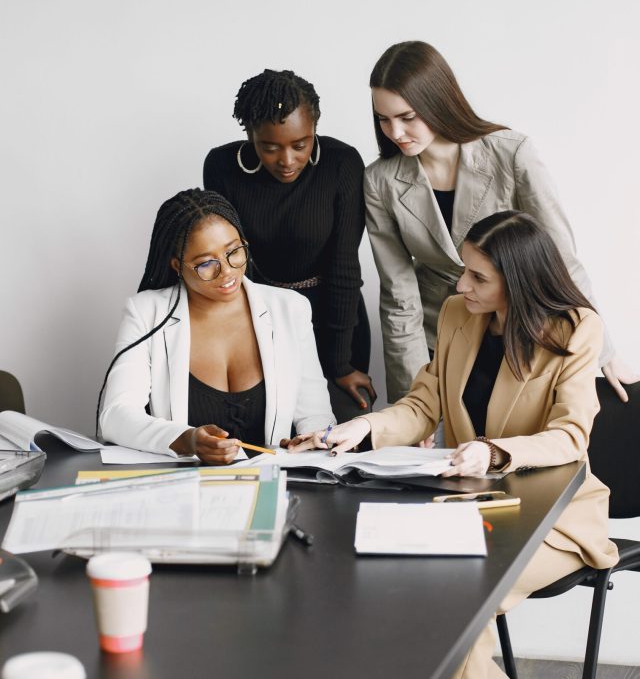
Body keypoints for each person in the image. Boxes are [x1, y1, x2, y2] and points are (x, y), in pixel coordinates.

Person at [285, 211, 619, 678]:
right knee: (406, 591)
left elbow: (570, 436)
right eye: (464, 269)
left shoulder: (576, 328)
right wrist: (363, 429)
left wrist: (494, 451)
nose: (462, 285)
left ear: (519, 281)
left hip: (555, 520)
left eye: (478, 277)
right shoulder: (459, 314)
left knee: (456, 602)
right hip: (472, 509)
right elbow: (425, 402)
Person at [365, 40, 638, 404]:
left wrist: (603, 351)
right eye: (384, 119)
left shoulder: (511, 153)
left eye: (407, 117)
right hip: (439, 338)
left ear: (437, 101)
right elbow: (399, 297)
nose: (395, 132)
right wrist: (413, 398)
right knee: (441, 451)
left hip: (520, 330)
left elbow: (559, 258)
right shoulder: (379, 180)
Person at [98, 189, 334, 464]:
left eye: (234, 251)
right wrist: (187, 440)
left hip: (274, 481)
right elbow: (115, 415)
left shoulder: (290, 308)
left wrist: (312, 438)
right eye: (206, 264)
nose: (227, 272)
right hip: (186, 488)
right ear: (177, 266)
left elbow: (315, 414)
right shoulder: (146, 312)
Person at [203, 69, 376, 423]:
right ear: (251, 136)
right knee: (264, 434)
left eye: (301, 144)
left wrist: (341, 364)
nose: (287, 160)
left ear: (315, 130)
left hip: (334, 317)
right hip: (258, 317)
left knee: (336, 435)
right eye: (270, 147)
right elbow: (230, 263)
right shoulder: (221, 167)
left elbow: (344, 266)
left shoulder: (341, 164)